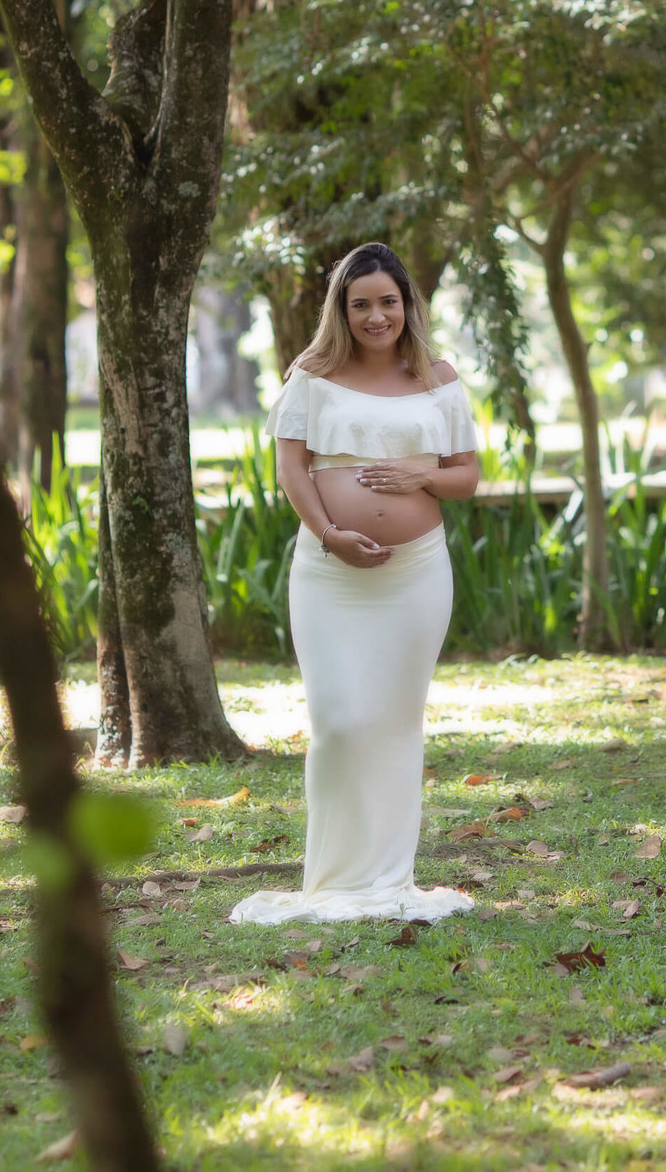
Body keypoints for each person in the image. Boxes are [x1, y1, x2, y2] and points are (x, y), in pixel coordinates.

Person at [229, 242, 481, 925]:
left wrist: (421, 477)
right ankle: (335, 878)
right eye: (361, 303)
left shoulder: (438, 376)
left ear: (408, 306)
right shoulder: (312, 374)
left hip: (416, 573)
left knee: (396, 724)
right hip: (328, 573)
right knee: (340, 722)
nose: (376, 316)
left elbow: (467, 475)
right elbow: (292, 468)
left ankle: (387, 877)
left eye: (388, 302)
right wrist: (327, 534)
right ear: (342, 308)